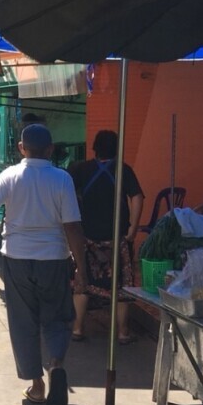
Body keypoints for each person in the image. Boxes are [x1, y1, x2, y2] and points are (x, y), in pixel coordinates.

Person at [0, 124, 88, 405]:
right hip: (54, 259)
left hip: (16, 259)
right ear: (50, 150)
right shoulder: (62, 179)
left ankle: (37, 386)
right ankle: (57, 364)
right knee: (57, 317)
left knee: (23, 322)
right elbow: (72, 226)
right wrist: (82, 269)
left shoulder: (10, 176)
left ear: (22, 148)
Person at [68, 130, 145, 344]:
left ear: (94, 148)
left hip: (87, 238)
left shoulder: (81, 169)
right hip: (118, 238)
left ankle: (77, 328)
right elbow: (137, 197)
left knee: (83, 282)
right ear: (117, 149)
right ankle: (122, 332)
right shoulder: (124, 170)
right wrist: (133, 229)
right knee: (121, 287)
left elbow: (66, 195)